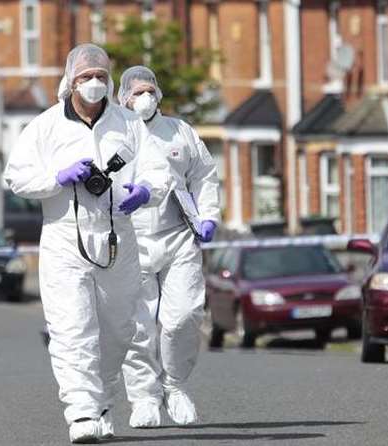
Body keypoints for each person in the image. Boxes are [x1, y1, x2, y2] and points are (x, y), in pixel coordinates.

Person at [3, 45, 170, 444]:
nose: (94, 83)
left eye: (100, 76)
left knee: (117, 329)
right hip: (64, 235)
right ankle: (81, 413)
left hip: (117, 235)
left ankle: (101, 403)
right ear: (70, 81)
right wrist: (56, 178)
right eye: (85, 77)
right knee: (72, 328)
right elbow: (16, 177)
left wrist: (145, 191)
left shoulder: (129, 124)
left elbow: (158, 170)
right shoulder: (46, 127)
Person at [117, 66, 220, 428]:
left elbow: (204, 174)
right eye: (136, 92)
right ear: (124, 97)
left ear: (158, 94)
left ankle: (175, 386)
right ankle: (144, 398)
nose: (144, 97)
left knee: (184, 317)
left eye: (149, 90)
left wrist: (208, 215)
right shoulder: (117, 133)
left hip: (178, 235)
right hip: (133, 239)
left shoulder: (180, 132)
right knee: (139, 326)